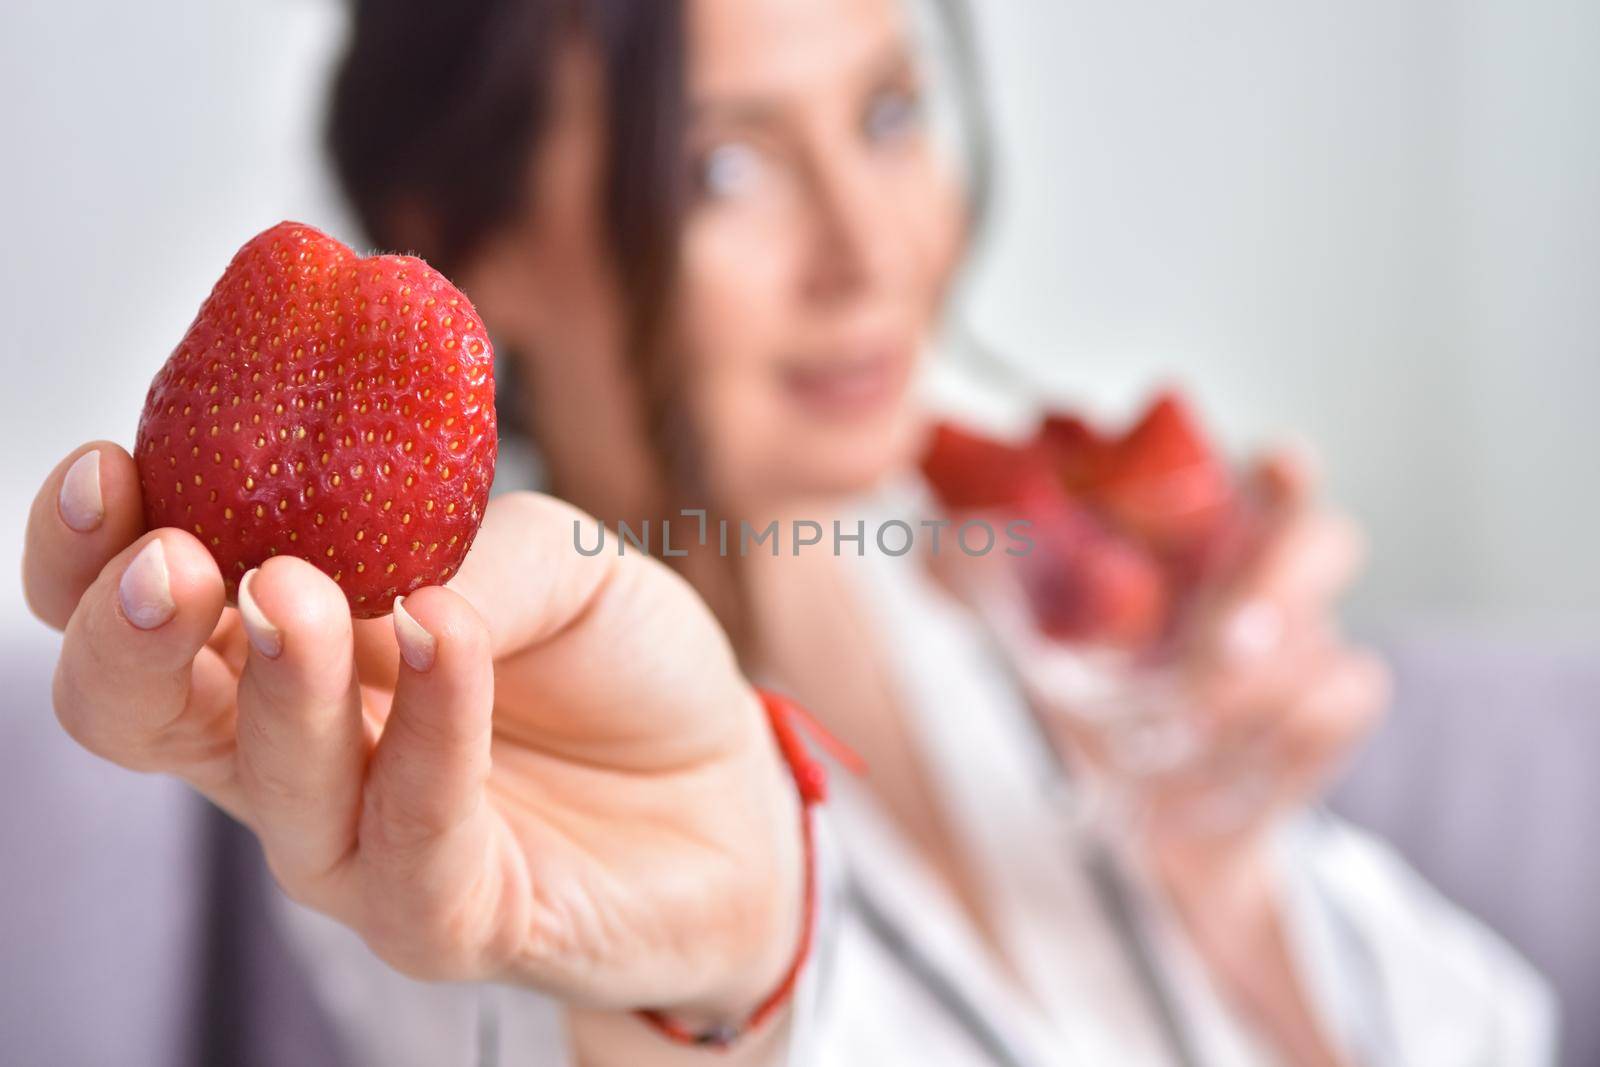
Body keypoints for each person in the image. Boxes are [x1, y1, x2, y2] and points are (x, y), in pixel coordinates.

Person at [19, 0, 1555, 1064]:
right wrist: (711, 994)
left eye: (890, 114)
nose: (874, 246)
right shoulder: (418, 755)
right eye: (726, 168)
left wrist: (1226, 884)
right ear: (465, 236)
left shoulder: (1036, 613)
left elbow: (1492, 1042)